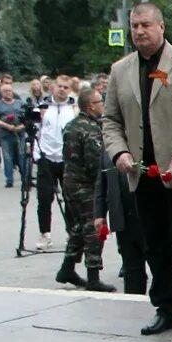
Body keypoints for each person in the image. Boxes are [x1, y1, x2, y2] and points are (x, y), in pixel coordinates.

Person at [103, 2, 172, 336]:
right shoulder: (121, 70)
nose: (139, 31)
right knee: (154, 242)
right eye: (134, 26)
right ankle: (167, 307)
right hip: (142, 171)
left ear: (161, 27)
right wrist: (118, 152)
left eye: (146, 25)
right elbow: (110, 119)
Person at [55, 86, 115, 293]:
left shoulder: (72, 125)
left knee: (78, 228)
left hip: (70, 184)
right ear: (91, 106)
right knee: (92, 230)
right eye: (100, 103)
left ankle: (67, 268)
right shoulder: (89, 129)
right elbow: (94, 164)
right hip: (85, 187)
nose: (103, 106)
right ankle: (93, 277)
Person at [31, 77, 76, 248]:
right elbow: (36, 131)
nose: (62, 90)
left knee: (70, 198)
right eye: (60, 86)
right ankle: (45, 234)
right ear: (52, 87)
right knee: (44, 198)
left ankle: (71, 232)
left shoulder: (74, 108)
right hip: (46, 157)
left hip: (66, 159)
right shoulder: (42, 108)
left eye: (66, 87)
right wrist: (37, 155)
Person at [0, 81, 28, 188]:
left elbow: (27, 118)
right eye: (5, 91)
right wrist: (6, 125)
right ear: (1, 93)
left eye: (9, 91)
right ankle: (9, 179)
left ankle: (25, 178)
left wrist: (22, 126)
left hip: (20, 134)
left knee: (22, 156)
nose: (8, 93)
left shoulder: (20, 103)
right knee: (7, 157)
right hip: (5, 135)